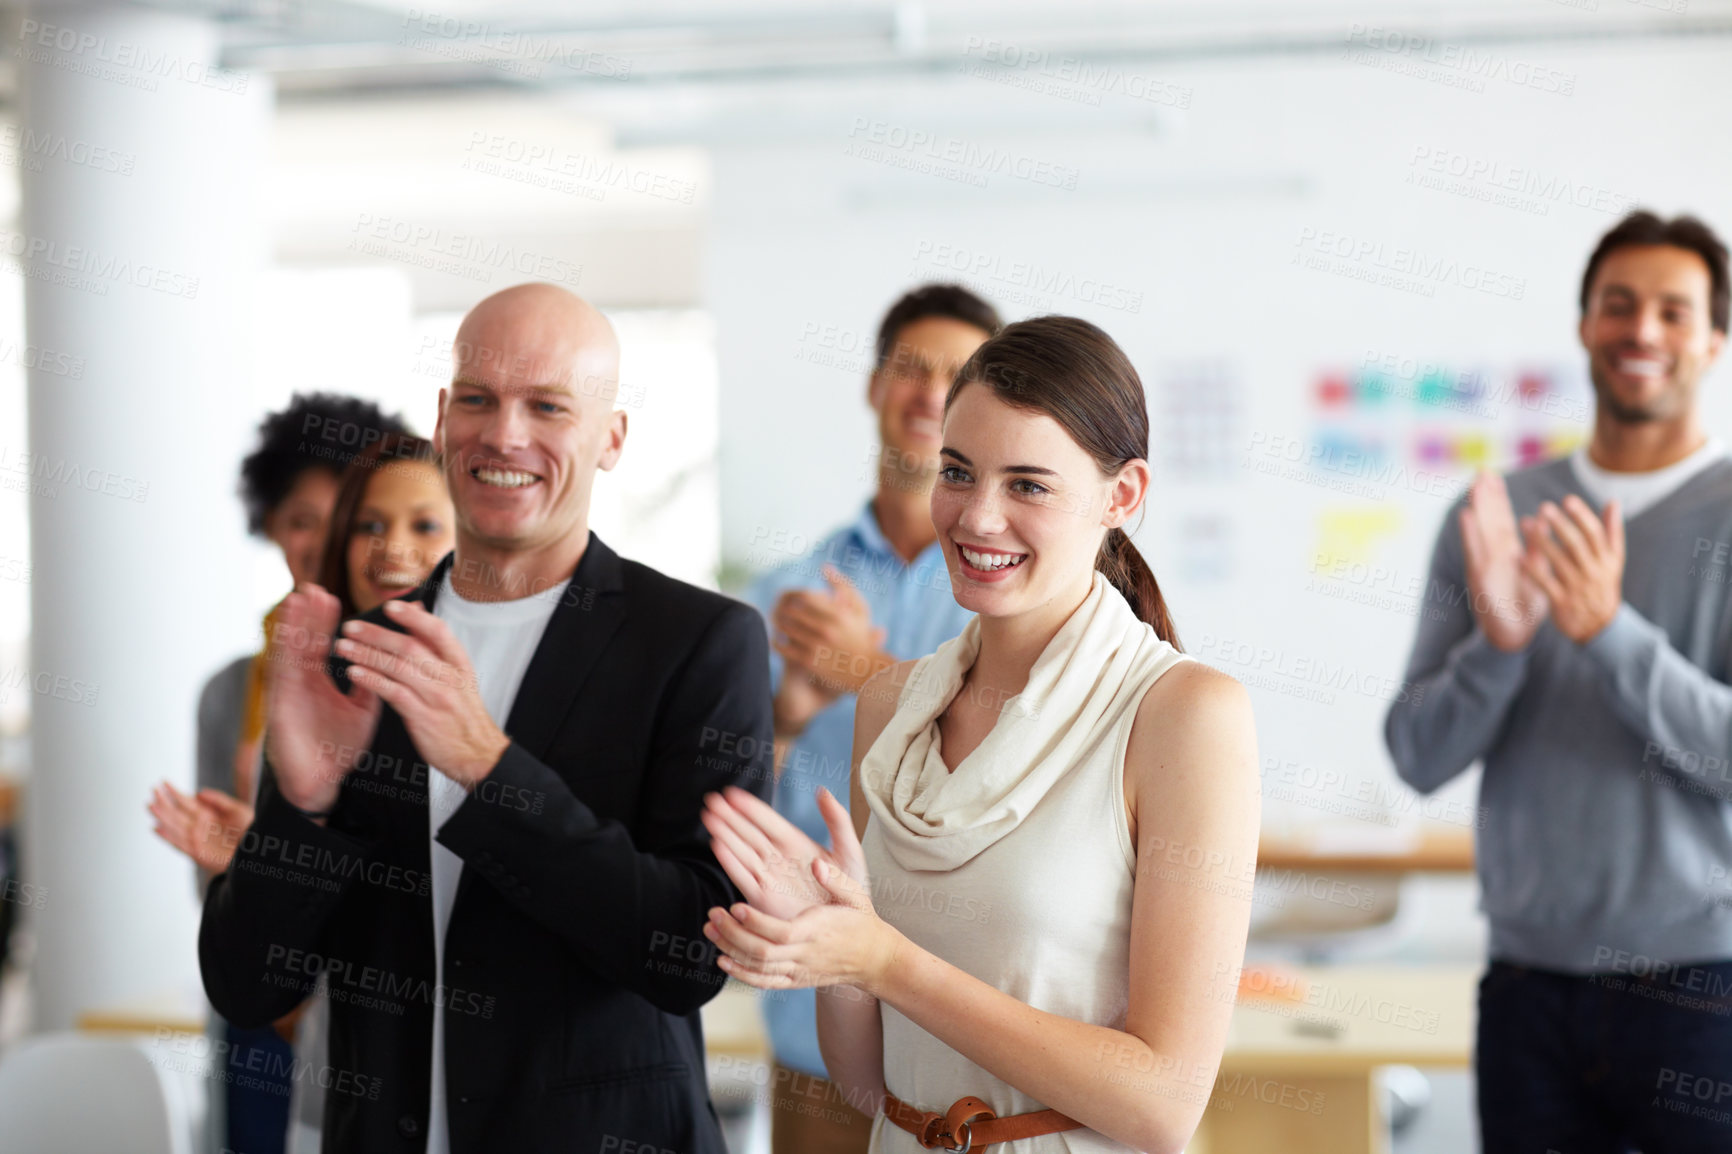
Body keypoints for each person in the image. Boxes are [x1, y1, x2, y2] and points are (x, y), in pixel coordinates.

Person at [199, 283, 773, 1154]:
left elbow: (686, 956)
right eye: (478, 399)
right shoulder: (356, 659)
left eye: (548, 405)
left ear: (611, 438)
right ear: (441, 419)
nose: (505, 434)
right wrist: (305, 807)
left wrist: (488, 769)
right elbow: (246, 984)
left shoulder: (697, 643)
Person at [703, 316, 1261, 1152]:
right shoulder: (889, 706)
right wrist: (833, 943)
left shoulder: (1185, 715)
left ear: (1124, 495)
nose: (977, 518)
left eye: (1029, 485)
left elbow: (1163, 1105)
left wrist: (885, 960)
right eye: (958, 473)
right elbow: (867, 1085)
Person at [1385, 210, 1732, 1152]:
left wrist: (1607, 633)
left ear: (1714, 337)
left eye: (1673, 309)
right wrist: (1501, 643)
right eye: (1618, 305)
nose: (1642, 331)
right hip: (1527, 985)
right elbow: (1416, 755)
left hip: (1702, 987)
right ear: (1585, 325)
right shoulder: (1496, 512)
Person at [740, 283, 999, 1154]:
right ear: (873, 386)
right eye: (908, 369)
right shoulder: (786, 596)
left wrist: (864, 671)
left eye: (955, 375)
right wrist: (786, 711)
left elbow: (1022, 742)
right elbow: (722, 788)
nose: (928, 393)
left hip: (973, 1019)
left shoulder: (1015, 591)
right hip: (813, 1020)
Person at [153, 431, 456, 1154]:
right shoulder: (270, 686)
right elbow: (242, 935)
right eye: (365, 525)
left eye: (422, 523)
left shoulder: (473, 686)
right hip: (310, 1017)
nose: (389, 548)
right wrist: (264, 853)